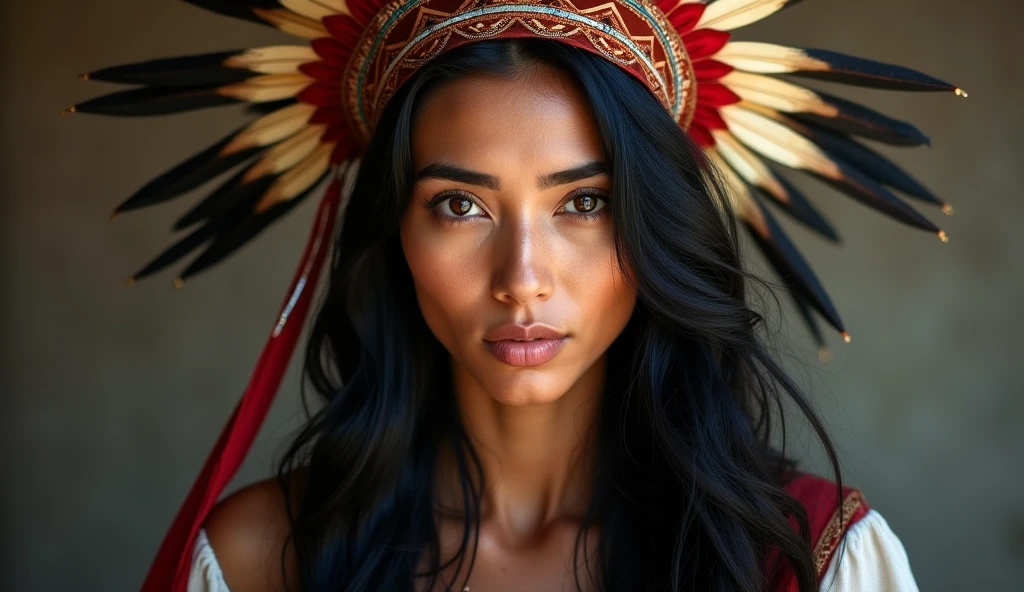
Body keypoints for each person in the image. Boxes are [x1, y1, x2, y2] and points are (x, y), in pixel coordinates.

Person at [67, 0, 962, 590]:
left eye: (585, 202)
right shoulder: (262, 562)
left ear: (658, 226)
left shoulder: (812, 560)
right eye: (459, 205)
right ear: (396, 238)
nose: (522, 276)